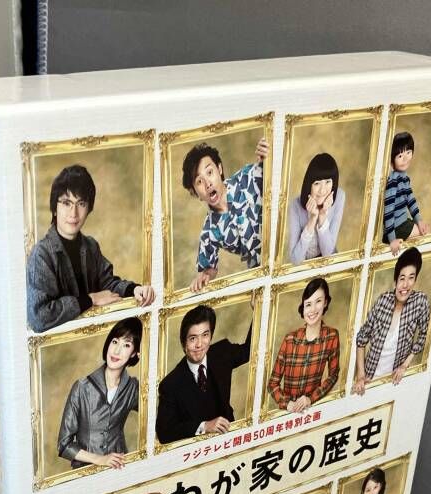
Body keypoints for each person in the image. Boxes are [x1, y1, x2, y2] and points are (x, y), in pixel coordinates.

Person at [26, 165, 156, 332]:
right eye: (66, 203)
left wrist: (135, 289)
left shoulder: (90, 246)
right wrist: (90, 299)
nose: (73, 213)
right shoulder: (41, 255)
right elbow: (39, 317)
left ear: (89, 209)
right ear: (54, 208)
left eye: (81, 203)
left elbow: (107, 283)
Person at [155, 301, 253, 444]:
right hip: (198, 450)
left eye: (205, 335)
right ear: (183, 343)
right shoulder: (170, 384)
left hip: (230, 440)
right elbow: (165, 433)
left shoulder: (222, 352)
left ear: (211, 336)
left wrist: (258, 308)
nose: (199, 344)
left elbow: (249, 350)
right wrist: (204, 426)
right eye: (193, 338)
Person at [182, 137, 269, 292]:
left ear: (219, 169)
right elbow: (209, 268)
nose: (207, 184)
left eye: (209, 172)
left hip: (282, 251)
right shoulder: (209, 232)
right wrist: (204, 277)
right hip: (259, 275)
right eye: (199, 182)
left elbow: (273, 172)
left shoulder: (247, 178)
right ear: (195, 193)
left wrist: (269, 157)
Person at [56, 317, 142, 470]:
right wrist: (100, 459)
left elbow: (158, 412)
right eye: (115, 342)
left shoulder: (133, 388)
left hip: (120, 467)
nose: (116, 351)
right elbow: (64, 445)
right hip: (86, 471)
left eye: (126, 345)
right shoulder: (82, 387)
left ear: (135, 353)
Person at [352, 247, 430, 394]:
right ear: (395, 280)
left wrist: (405, 365)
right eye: (402, 278)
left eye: (411, 277)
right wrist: (361, 375)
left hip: (394, 380)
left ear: (415, 280)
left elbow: (422, 336)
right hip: (370, 377)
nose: (406, 284)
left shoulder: (420, 302)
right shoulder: (383, 301)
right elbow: (361, 339)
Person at [266, 277, 341, 413]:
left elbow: (333, 375)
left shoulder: (332, 336)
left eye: (318, 301)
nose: (313, 309)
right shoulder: (290, 340)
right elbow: (272, 384)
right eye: (308, 304)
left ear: (325, 302)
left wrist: (311, 399)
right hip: (289, 412)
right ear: (303, 307)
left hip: (312, 408)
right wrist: (287, 404)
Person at [286, 152, 346, 263]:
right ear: (309, 184)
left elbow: (328, 254)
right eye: (317, 183)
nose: (322, 190)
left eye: (328, 182)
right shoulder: (295, 206)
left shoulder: (339, 197)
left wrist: (322, 215)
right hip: (305, 266)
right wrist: (312, 220)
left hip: (329, 264)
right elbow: (295, 260)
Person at [381, 131, 429, 257]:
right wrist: (392, 239)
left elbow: (411, 201)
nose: (406, 158)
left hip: (403, 222)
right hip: (395, 227)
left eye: (408, 152)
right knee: (423, 236)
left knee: (425, 229)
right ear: (392, 161)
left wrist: (419, 220)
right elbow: (388, 212)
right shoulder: (393, 181)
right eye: (400, 156)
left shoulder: (404, 177)